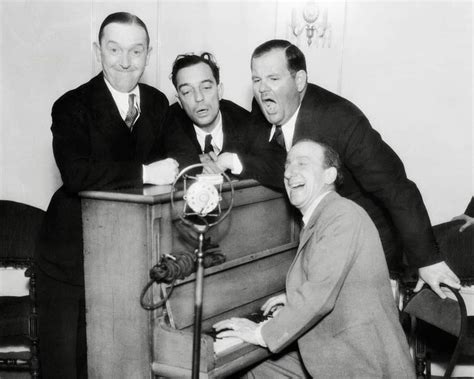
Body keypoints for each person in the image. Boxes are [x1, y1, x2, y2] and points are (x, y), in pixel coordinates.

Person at [249, 39, 460, 297]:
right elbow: (274, 161)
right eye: (256, 80)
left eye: (273, 78)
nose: (262, 90)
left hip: (369, 245)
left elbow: (395, 187)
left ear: (300, 80)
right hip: (322, 243)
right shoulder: (262, 112)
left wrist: (427, 260)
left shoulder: (340, 118)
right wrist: (233, 162)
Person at [35, 12, 178, 378]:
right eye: (114, 50)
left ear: (149, 53)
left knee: (118, 360)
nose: (125, 62)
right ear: (98, 51)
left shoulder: (159, 104)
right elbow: (76, 175)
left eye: (136, 51)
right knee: (67, 365)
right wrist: (146, 172)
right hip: (70, 256)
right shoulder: (71, 105)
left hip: (127, 258)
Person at [214, 140, 415, 378]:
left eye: (302, 164)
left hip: (362, 362)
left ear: (330, 175)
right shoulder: (322, 217)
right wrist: (291, 298)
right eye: (287, 166)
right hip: (339, 350)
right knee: (255, 369)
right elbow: (331, 279)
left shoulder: (342, 215)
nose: (289, 173)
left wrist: (260, 333)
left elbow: (319, 295)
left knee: (249, 369)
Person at [164, 52, 286, 188]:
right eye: (187, 92)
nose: (198, 98)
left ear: (220, 90)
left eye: (206, 88)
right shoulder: (167, 121)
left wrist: (231, 161)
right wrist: (193, 163)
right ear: (179, 101)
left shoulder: (245, 122)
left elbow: (281, 166)